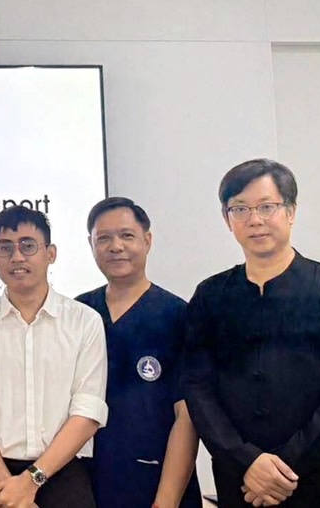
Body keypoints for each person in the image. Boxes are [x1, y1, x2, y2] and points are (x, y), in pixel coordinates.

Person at [181, 159, 320, 508]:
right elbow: (198, 388)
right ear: (227, 219)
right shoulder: (210, 297)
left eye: (266, 207)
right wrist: (246, 460)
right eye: (240, 209)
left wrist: (282, 468)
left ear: (291, 211)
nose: (254, 220)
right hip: (243, 483)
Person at [0, 204, 106, 508]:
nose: (17, 257)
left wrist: (30, 481)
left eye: (28, 245)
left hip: (63, 475)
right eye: (5, 247)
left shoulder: (84, 321)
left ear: (51, 253)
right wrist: (11, 490)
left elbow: (87, 412)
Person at [75, 198, 200, 508]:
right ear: (91, 245)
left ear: (148, 240)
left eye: (127, 235)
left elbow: (187, 416)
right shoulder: (78, 313)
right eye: (103, 238)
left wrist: (167, 500)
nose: (115, 246)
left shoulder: (178, 315)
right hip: (87, 484)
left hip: (157, 483)